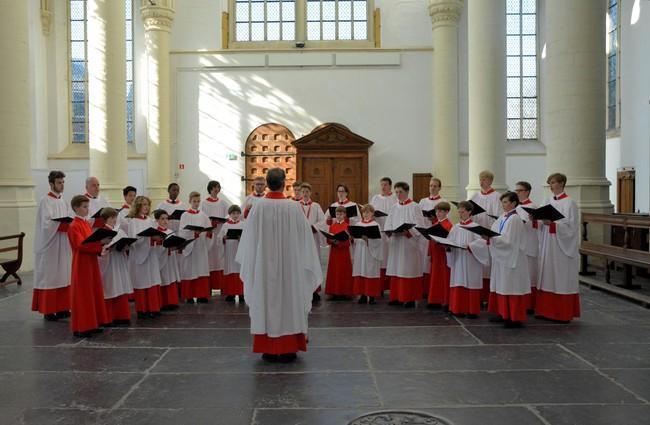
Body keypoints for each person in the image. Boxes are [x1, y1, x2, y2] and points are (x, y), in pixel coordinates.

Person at [236, 168, 322, 363]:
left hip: (264, 266)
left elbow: (249, 241)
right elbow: (305, 239)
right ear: (284, 183)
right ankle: (289, 347)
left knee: (267, 300)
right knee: (289, 300)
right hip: (290, 266)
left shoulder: (258, 207)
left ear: (267, 183)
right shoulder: (293, 207)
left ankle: (269, 348)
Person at [472, 192, 531, 328]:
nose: (503, 205)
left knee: (510, 287)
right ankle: (503, 312)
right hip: (501, 257)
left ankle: (513, 317)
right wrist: (487, 235)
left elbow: (509, 241)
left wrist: (491, 238)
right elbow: (494, 231)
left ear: (514, 203)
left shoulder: (515, 219)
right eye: (502, 202)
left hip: (512, 258)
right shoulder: (503, 217)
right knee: (501, 285)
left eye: (505, 202)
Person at [535, 173, 581, 322]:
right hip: (548, 243)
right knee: (548, 275)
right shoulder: (547, 201)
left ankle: (561, 313)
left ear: (562, 183)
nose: (551, 185)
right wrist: (536, 220)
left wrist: (554, 224)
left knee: (560, 277)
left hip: (561, 247)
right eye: (550, 183)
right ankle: (545, 311)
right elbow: (542, 222)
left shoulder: (570, 203)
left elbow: (572, 228)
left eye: (553, 182)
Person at [67, 195, 110, 337]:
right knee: (83, 295)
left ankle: (93, 324)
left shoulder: (85, 224)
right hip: (81, 264)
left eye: (87, 206)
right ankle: (82, 327)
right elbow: (81, 245)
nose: (87, 209)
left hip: (90, 261)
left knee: (92, 292)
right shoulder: (74, 226)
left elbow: (90, 241)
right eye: (84, 207)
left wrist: (101, 242)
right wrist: (100, 243)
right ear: (76, 208)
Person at [32, 171, 72, 321]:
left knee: (63, 275)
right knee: (50, 277)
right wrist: (60, 225)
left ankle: (62, 307)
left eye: (63, 182)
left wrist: (68, 223)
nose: (62, 185)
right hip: (49, 245)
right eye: (59, 182)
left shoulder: (63, 200)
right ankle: (48, 310)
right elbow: (46, 224)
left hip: (62, 243)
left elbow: (68, 218)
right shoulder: (45, 201)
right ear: (51, 184)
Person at [385, 181, 427, 308]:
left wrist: (409, 232)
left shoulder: (415, 206)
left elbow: (420, 225)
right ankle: (396, 296)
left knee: (407, 270)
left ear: (407, 192)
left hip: (409, 244)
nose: (398, 195)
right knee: (396, 268)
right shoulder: (393, 207)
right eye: (396, 192)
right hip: (396, 242)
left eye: (400, 192)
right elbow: (389, 223)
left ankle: (409, 298)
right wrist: (390, 231)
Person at [446, 201, 485, 318]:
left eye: (462, 211)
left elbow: (482, 243)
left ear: (469, 212)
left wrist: (471, 246)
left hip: (471, 260)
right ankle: (457, 308)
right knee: (458, 281)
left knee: (471, 282)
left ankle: (472, 311)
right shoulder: (455, 227)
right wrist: (448, 247)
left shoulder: (475, 227)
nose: (460, 214)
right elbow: (450, 241)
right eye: (459, 211)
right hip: (458, 258)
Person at [470, 170, 503, 303]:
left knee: (489, 265)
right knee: (479, 265)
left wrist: (491, 228)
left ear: (490, 181)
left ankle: (489, 297)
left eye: (484, 179)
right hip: (477, 234)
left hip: (489, 234)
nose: (481, 181)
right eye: (480, 179)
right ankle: (479, 295)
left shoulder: (497, 196)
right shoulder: (475, 196)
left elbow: (499, 216)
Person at [127, 196, 163, 319]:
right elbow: (133, 240)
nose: (146, 207)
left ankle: (153, 307)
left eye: (148, 204)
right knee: (142, 282)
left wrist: (157, 238)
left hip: (151, 254)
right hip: (139, 255)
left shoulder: (150, 220)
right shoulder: (133, 221)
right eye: (143, 205)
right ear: (138, 206)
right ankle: (142, 309)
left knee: (152, 281)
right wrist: (147, 238)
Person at [98, 208, 133, 325]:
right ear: (105, 220)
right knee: (110, 288)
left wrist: (126, 247)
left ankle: (122, 315)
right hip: (109, 263)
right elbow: (99, 249)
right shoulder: (101, 232)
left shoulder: (120, 231)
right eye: (111, 218)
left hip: (119, 261)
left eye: (115, 217)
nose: (114, 220)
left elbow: (126, 244)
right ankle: (108, 317)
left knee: (120, 287)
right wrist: (108, 249)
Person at [178, 191, 212, 304]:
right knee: (190, 270)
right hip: (190, 247)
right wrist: (193, 233)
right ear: (189, 201)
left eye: (198, 201)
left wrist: (208, 233)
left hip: (200, 247)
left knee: (201, 269)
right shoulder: (184, 215)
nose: (196, 203)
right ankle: (189, 295)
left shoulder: (203, 215)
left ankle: (201, 295)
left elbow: (208, 229)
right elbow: (182, 232)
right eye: (194, 201)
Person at [419, 177, 447, 295]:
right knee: (423, 261)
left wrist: (434, 219)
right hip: (424, 235)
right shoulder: (422, 201)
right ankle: (424, 290)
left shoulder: (443, 202)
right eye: (431, 185)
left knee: (433, 263)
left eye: (435, 186)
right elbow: (418, 217)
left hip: (435, 236)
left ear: (439, 188)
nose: (432, 188)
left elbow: (445, 220)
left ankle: (434, 290)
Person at [514, 181, 539, 311]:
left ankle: (529, 304)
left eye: (520, 190)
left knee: (529, 274)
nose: (517, 193)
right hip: (518, 245)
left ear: (527, 191)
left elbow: (537, 226)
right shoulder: (516, 207)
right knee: (520, 275)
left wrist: (531, 220)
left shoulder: (533, 206)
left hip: (529, 243)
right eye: (516, 190)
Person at [352, 204, 384, 305]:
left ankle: (372, 296)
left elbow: (379, 241)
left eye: (368, 212)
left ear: (372, 214)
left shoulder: (376, 225)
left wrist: (368, 240)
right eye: (364, 212)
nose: (365, 214)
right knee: (361, 271)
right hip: (360, 252)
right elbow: (355, 239)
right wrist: (353, 238)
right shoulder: (358, 224)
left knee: (370, 272)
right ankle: (363, 295)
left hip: (370, 253)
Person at [370, 177, 398, 292]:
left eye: (385, 185)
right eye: (381, 184)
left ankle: (391, 287)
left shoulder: (395, 198)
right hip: (379, 232)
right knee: (380, 259)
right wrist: (372, 215)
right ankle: (379, 287)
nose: (383, 187)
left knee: (390, 258)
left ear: (390, 186)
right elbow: (369, 213)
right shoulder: (375, 198)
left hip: (391, 234)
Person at [200, 180, 228, 294]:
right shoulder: (204, 203)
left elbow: (228, 216)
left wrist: (221, 221)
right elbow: (201, 217)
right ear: (210, 189)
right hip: (209, 234)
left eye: (218, 187)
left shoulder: (223, 203)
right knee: (210, 259)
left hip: (220, 233)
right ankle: (209, 287)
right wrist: (209, 223)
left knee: (220, 259)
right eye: (214, 187)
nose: (216, 189)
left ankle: (222, 286)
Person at [299, 183, 326, 302]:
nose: (305, 194)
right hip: (299, 240)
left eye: (307, 192)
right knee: (301, 264)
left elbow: (323, 221)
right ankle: (301, 289)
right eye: (303, 192)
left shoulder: (316, 206)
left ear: (310, 193)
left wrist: (314, 227)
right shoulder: (295, 206)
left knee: (313, 262)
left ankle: (314, 291)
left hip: (313, 238)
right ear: (300, 193)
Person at [426, 202, 453, 310]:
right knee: (435, 276)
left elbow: (450, 241)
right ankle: (434, 300)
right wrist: (429, 253)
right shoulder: (435, 224)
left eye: (441, 211)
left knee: (443, 276)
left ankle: (445, 300)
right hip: (435, 253)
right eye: (437, 211)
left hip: (443, 254)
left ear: (447, 212)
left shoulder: (449, 225)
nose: (438, 213)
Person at [325, 206, 354, 300]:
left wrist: (340, 243)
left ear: (345, 215)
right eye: (337, 214)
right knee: (334, 271)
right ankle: (334, 292)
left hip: (343, 252)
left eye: (341, 214)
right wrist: (331, 241)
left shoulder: (347, 226)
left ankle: (344, 292)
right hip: (334, 252)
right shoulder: (332, 226)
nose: (339, 216)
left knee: (343, 271)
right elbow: (328, 239)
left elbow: (349, 241)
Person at [153, 209, 180, 310]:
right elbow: (153, 248)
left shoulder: (170, 232)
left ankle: (172, 302)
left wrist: (177, 246)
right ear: (157, 220)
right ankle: (163, 303)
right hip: (160, 259)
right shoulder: (155, 233)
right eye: (162, 219)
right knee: (163, 279)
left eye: (166, 219)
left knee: (171, 277)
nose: (165, 221)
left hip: (170, 258)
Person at [218, 205, 245, 302]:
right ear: (229, 214)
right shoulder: (225, 225)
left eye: (237, 213)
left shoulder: (243, 224)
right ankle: (230, 294)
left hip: (239, 251)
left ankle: (241, 293)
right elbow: (219, 239)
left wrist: (241, 239)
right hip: (229, 252)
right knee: (230, 270)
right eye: (233, 213)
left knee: (240, 271)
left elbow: (248, 238)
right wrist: (223, 239)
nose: (235, 215)